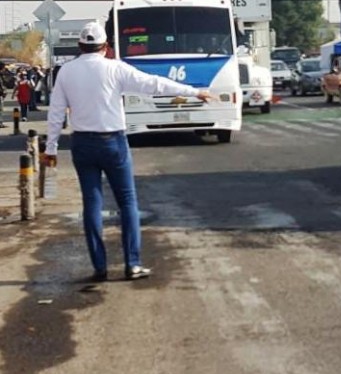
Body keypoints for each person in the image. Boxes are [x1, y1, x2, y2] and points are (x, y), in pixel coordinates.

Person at [43, 21, 215, 282]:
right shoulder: (115, 68)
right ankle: (132, 264)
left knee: (92, 203)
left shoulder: (66, 72)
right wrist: (194, 92)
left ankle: (99, 267)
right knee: (127, 202)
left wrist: (51, 148)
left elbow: (56, 113)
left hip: (82, 144)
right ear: (106, 47)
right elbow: (154, 84)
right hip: (113, 143)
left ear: (80, 46)